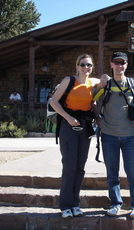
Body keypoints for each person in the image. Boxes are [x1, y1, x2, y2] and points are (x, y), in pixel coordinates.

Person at [92, 51, 134, 220]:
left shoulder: (133, 84)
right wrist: (97, 117)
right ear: (111, 65)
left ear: (126, 65)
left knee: (133, 173)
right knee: (112, 173)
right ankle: (115, 204)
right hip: (109, 135)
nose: (119, 65)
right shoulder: (106, 85)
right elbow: (92, 99)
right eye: (116, 62)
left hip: (129, 136)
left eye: (122, 62)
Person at [50, 53, 102, 218]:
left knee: (80, 167)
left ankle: (75, 205)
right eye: (83, 64)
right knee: (70, 166)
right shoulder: (69, 81)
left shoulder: (92, 82)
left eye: (89, 65)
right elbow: (54, 101)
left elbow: (99, 91)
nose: (86, 68)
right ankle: (65, 205)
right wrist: (68, 118)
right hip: (69, 125)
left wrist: (98, 117)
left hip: (85, 126)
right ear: (77, 66)